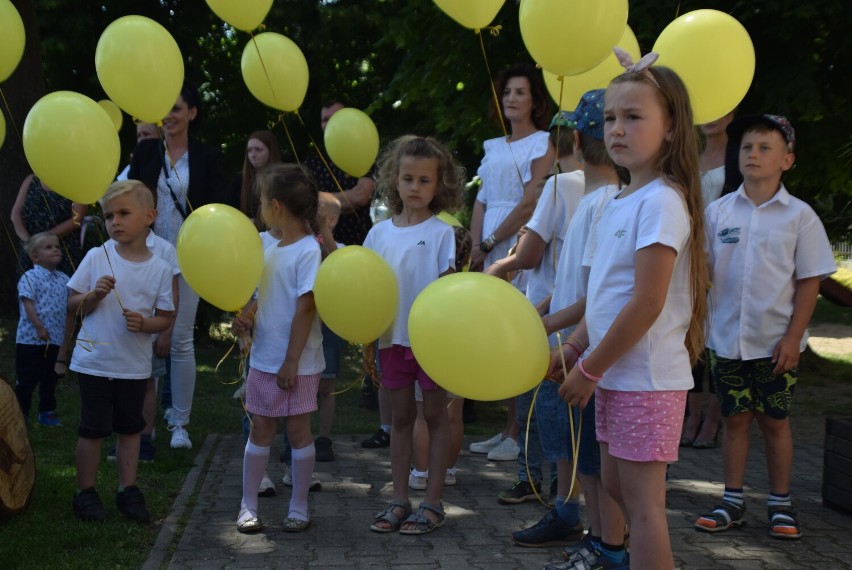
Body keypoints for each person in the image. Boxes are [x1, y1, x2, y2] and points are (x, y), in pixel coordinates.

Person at [559, 53, 710, 570]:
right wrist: (578, 344)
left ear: (671, 130)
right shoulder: (621, 200)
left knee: (644, 507)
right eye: (610, 118)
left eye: (634, 117)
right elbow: (606, 295)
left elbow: (647, 301)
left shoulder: (663, 201)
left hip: (644, 378)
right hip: (615, 375)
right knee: (618, 487)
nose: (617, 129)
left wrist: (589, 368)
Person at [694, 115, 835, 540]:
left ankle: (781, 504)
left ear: (787, 159)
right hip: (726, 341)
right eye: (747, 148)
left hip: (776, 345)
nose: (753, 155)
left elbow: (811, 280)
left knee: (775, 421)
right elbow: (703, 273)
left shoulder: (800, 216)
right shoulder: (718, 212)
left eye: (764, 148)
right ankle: (732, 500)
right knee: (734, 420)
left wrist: (794, 337)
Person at [487, 111, 586, 547]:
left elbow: (529, 254)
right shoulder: (618, 190)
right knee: (573, 421)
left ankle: (550, 494)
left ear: (559, 147)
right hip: (581, 319)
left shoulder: (560, 186)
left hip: (554, 319)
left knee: (545, 408)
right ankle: (565, 498)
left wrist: (497, 266)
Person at [538, 90, 627, 570]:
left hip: (585, 354)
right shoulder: (594, 202)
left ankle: (603, 542)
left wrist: (551, 330)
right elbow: (570, 282)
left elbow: (596, 299)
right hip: (574, 347)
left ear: (574, 138)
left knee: (592, 461)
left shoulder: (604, 206)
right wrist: (538, 314)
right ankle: (597, 539)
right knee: (583, 456)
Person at [365, 135, 464, 535]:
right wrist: (370, 338)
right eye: (408, 179)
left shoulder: (443, 233)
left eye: (425, 180)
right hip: (392, 339)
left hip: (431, 342)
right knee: (401, 417)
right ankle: (399, 500)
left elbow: (449, 288)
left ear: (439, 185)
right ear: (395, 180)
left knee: (435, 416)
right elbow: (368, 291)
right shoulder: (378, 234)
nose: (416, 188)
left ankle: (433, 502)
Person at [67, 180, 175, 522]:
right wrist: (94, 296)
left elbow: (166, 317)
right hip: (95, 363)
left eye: (123, 214)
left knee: (131, 430)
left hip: (134, 366)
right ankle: (85, 493)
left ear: (149, 217)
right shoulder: (97, 257)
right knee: (93, 429)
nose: (114, 221)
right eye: (109, 215)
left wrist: (146, 325)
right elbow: (72, 305)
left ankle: (128, 490)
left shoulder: (159, 267)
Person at [129, 79, 225, 450]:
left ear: (192, 113)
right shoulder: (145, 151)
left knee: (180, 341)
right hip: (147, 253)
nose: (168, 116)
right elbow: (135, 197)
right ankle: (141, 426)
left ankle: (179, 424)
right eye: (164, 110)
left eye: (176, 109)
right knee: (145, 341)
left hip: (190, 257)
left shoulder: (207, 156)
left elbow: (216, 208)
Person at [468, 62, 555, 464]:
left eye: (520, 92)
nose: (512, 99)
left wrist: (493, 241)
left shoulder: (542, 143)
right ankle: (505, 428)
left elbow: (531, 203)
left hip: (519, 241)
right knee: (496, 336)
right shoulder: (492, 145)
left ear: (535, 99)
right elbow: (482, 198)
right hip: (488, 243)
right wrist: (474, 243)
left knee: (519, 334)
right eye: (507, 93)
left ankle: (518, 432)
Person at [231, 163, 325, 534]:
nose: (259, 208)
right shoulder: (265, 243)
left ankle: (298, 506)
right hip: (264, 357)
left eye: (262, 202)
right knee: (262, 428)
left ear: (277, 206)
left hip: (297, 362)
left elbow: (305, 307)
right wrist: (247, 316)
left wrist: (291, 361)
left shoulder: (307, 250)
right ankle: (248, 505)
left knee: (299, 430)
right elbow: (261, 292)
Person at [304, 100, 380, 457]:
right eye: (323, 120)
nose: (328, 126)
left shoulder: (365, 157)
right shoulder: (313, 161)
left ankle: (325, 435)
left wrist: (318, 204)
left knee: (330, 371)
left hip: (352, 268)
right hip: (310, 289)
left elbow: (362, 195)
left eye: (335, 119)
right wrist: (337, 201)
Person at [680, 111, 735, 450]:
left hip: (725, 260)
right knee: (691, 338)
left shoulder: (742, 155)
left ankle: (714, 417)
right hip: (688, 257)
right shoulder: (688, 155)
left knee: (718, 335)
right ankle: (691, 414)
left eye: (721, 108)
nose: (712, 116)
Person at [409, 224, 472, 491]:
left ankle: (421, 472)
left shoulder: (430, 286)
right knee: (453, 416)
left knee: (423, 415)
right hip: (460, 355)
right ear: (467, 258)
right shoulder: (471, 287)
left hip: (431, 351)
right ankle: (448, 470)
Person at [14, 232, 74, 427]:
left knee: (50, 377)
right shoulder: (29, 277)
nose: (56, 249)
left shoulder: (64, 279)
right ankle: (21, 413)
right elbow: (28, 303)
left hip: (54, 339)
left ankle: (47, 411)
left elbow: (68, 309)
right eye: (48, 247)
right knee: (26, 379)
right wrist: (39, 327)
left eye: (56, 246)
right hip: (30, 339)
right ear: (35, 257)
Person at [11, 174, 87, 278]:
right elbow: (15, 214)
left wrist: (43, 239)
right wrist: (29, 240)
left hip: (61, 252)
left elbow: (76, 219)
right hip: (31, 251)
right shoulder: (31, 179)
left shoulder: (75, 182)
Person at [225, 130, 282, 228]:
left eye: (258, 150)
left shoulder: (283, 179)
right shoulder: (239, 180)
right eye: (249, 150)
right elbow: (227, 211)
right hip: (245, 232)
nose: (253, 155)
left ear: (271, 151)